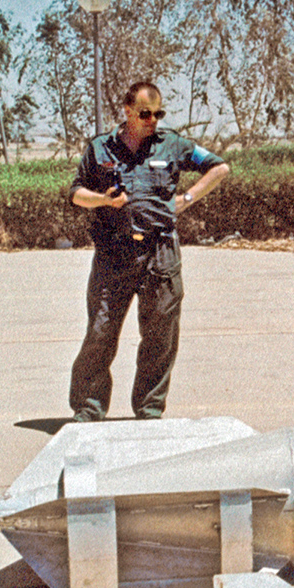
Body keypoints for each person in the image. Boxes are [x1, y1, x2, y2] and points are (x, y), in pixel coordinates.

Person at [68, 81, 230, 422]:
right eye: (145, 114)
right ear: (127, 111)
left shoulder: (172, 144)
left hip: (160, 252)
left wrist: (186, 199)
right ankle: (88, 408)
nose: (152, 120)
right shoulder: (100, 148)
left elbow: (219, 167)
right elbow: (77, 193)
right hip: (114, 253)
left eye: (158, 114)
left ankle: (149, 410)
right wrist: (103, 200)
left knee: (160, 335)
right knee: (101, 332)